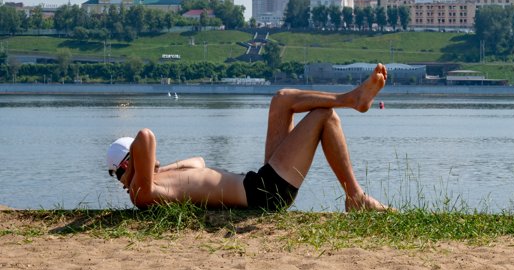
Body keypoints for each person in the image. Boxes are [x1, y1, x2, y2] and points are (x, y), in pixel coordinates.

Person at [107, 64, 390, 212]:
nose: (120, 181)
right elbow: (145, 137)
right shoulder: (141, 194)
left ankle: (352, 98)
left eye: (119, 172)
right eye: (119, 173)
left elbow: (198, 162)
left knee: (281, 100)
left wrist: (161, 168)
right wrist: (136, 172)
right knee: (324, 117)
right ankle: (355, 196)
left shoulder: (159, 181)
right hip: (265, 194)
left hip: (260, 181)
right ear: (130, 163)